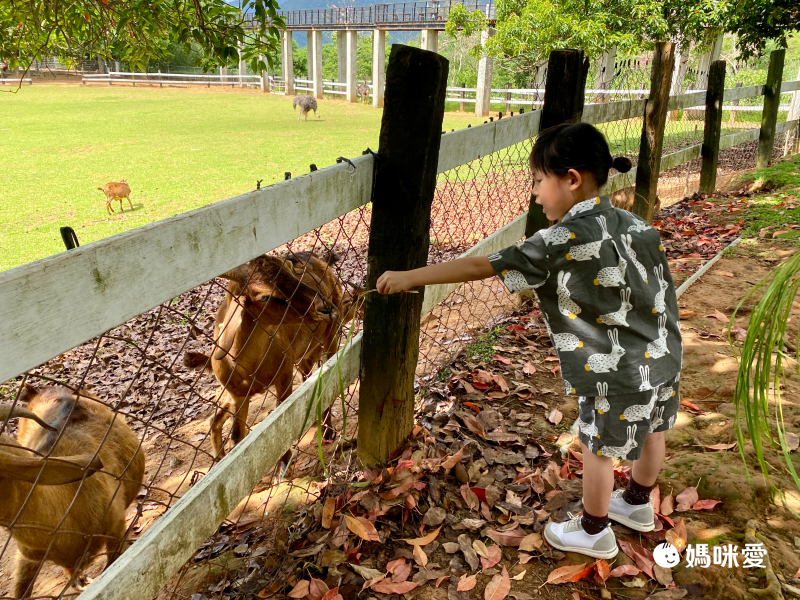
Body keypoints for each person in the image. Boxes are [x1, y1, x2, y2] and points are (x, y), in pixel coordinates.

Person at [376, 122, 683, 559]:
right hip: (663, 353)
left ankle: (594, 532)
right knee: (652, 429)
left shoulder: (562, 237)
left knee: (597, 447)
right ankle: (636, 505)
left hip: (615, 372)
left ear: (572, 179)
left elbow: (480, 267)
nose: (536, 194)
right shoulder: (634, 222)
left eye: (539, 182)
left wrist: (411, 276)